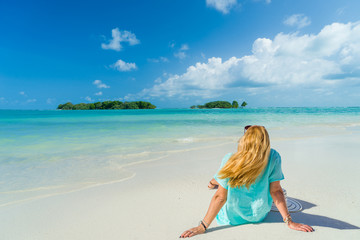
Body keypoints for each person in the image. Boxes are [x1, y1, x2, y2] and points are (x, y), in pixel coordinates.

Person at [180, 125, 313, 238]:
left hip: (232, 218)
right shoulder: (273, 156)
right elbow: (276, 191)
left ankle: (215, 181)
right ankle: (216, 180)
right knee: (278, 188)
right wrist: (289, 221)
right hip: (259, 215)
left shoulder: (230, 159)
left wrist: (202, 226)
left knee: (221, 180)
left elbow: (220, 197)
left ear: (244, 140)